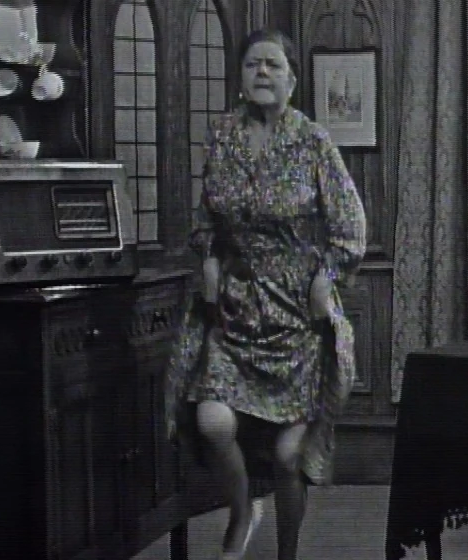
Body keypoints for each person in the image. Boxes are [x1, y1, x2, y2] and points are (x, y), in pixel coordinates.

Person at [165, 28, 366, 560]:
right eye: (253, 64)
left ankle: (287, 552)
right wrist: (209, 256)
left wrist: (326, 276)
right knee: (212, 421)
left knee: (286, 455)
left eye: (273, 65)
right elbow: (205, 217)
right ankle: (241, 513)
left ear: (292, 79)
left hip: (297, 318)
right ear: (240, 76)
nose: (262, 73)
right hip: (236, 311)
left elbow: (351, 227)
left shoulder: (313, 141)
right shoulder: (222, 135)